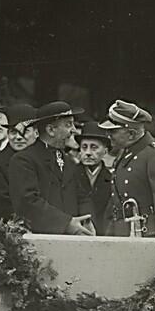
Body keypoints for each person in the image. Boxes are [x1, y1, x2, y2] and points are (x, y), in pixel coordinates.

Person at [98, 100, 155, 238]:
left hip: (147, 236)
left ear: (131, 134)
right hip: (123, 236)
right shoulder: (125, 153)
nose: (108, 135)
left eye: (113, 131)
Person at [8, 101, 94, 235]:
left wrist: (87, 221)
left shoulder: (70, 161)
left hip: (75, 239)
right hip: (40, 241)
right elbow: (27, 202)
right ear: (50, 130)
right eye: (68, 124)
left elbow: (82, 196)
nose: (74, 130)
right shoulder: (24, 160)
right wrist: (66, 224)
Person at [0, 103, 39, 225]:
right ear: (7, 133)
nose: (18, 137)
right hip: (15, 229)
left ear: (36, 132)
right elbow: (2, 207)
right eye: (13, 132)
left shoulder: (46, 160)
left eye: (24, 131)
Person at [76, 121, 115, 234]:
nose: (88, 152)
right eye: (84, 147)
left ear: (105, 151)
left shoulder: (112, 178)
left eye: (94, 147)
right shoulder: (69, 174)